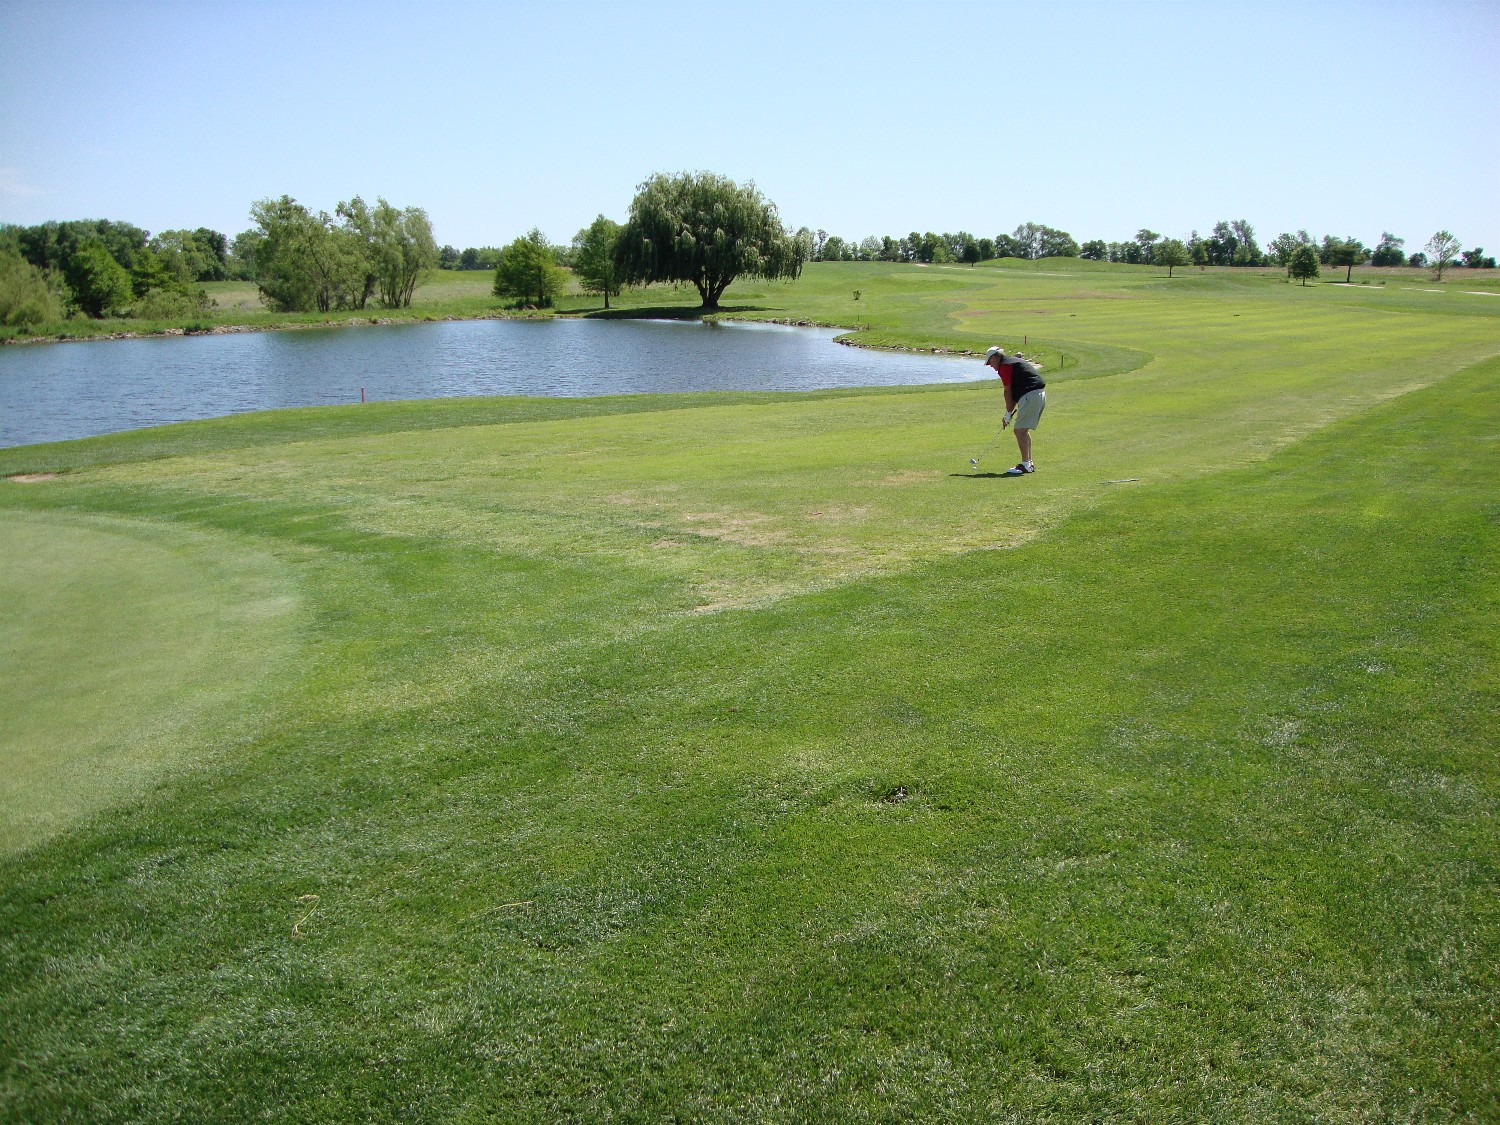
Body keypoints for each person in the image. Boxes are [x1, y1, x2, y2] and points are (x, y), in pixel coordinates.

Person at [983, 345, 1046, 475]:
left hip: (1030, 395)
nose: (990, 365)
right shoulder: (1012, 362)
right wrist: (1009, 413)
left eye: (990, 361)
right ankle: (1028, 463)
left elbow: (1007, 391)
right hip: (1037, 394)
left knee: (1019, 430)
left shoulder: (1005, 366)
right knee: (1023, 430)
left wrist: (1008, 414)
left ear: (996, 357)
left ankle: (1025, 465)